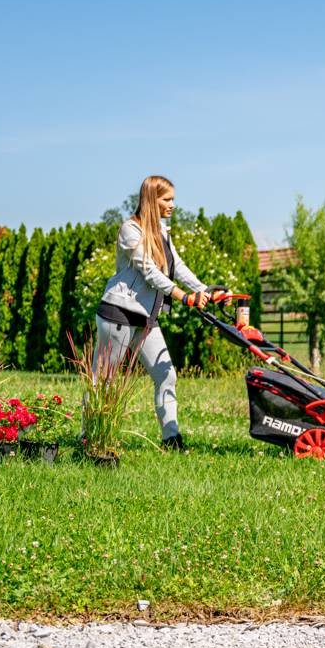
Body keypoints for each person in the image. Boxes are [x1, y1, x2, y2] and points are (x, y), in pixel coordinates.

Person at [96, 175, 217, 452]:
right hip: (119, 312)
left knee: (167, 375)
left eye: (173, 199)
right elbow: (148, 270)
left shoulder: (162, 231)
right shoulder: (131, 229)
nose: (172, 204)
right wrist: (183, 297)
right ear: (152, 199)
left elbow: (177, 265)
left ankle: (171, 439)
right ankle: (92, 438)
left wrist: (204, 290)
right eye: (167, 199)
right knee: (104, 380)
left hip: (146, 317)